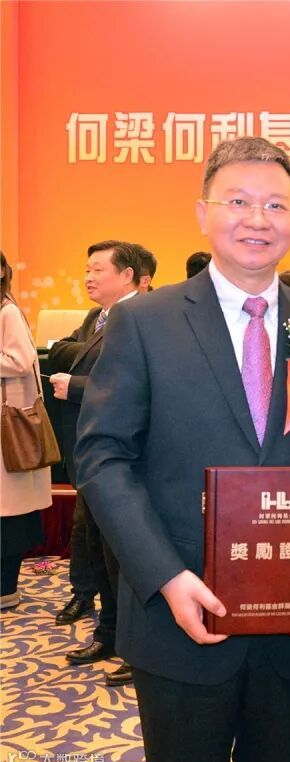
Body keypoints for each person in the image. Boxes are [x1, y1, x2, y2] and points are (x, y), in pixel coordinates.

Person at [74, 137, 290, 762]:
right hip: (182, 616)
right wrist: (164, 576)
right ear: (203, 213)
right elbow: (102, 456)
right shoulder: (145, 322)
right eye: (238, 201)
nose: (258, 219)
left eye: (276, 204)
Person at [49, 240, 143, 686]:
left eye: (97, 269)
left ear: (127, 275)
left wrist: (76, 385)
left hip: (127, 457)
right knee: (96, 549)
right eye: (86, 269)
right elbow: (63, 351)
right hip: (92, 454)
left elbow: (134, 387)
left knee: (126, 558)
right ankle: (109, 634)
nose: (88, 277)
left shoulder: (141, 318)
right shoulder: (99, 317)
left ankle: (138, 649)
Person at [0, 251, 50, 609]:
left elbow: (20, 361)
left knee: (9, 516)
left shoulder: (7, 311)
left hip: (9, 426)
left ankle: (6, 588)